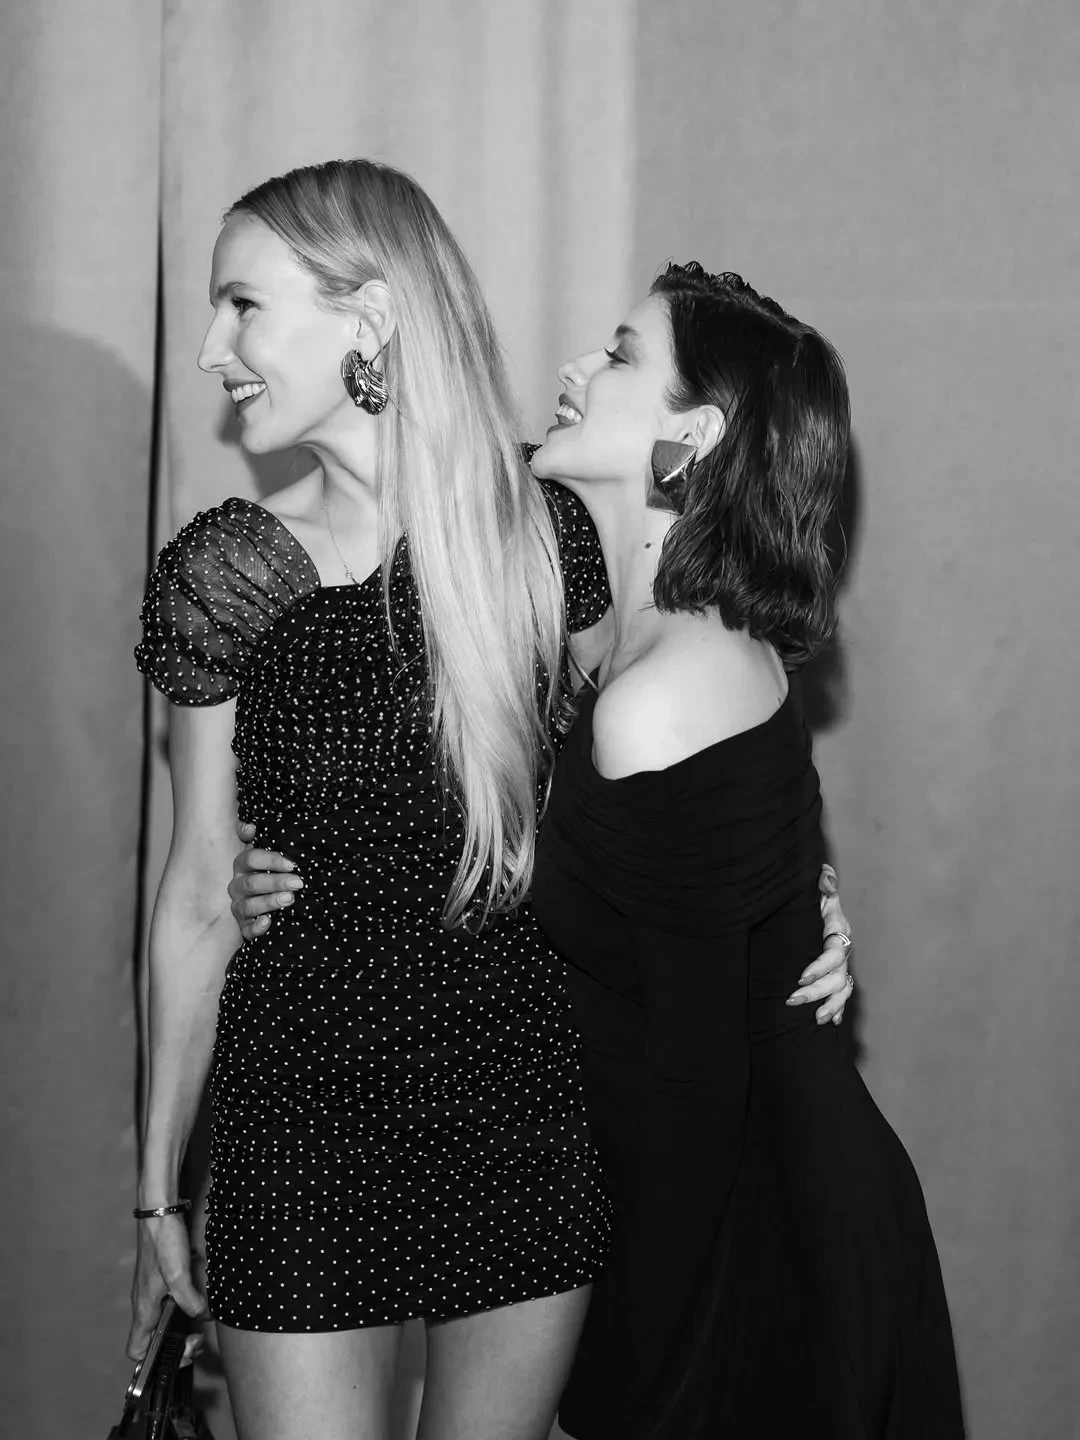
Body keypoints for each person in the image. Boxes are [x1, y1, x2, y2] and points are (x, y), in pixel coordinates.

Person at [133, 158, 853, 1440]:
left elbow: (687, 752)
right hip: (300, 1124)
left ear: (369, 316)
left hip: (521, 1109)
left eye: (242, 305)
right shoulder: (225, 575)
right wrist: (154, 1195)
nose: (210, 350)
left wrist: (802, 904)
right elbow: (196, 895)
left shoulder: (547, 532)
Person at [526, 264, 966, 1437]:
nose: (576, 367)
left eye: (621, 355)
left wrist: (625, 1374)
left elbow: (697, 1085)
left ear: (695, 435)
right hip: (743, 1205)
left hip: (753, 1251)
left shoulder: (662, 697)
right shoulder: (661, 640)